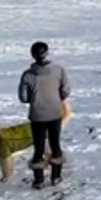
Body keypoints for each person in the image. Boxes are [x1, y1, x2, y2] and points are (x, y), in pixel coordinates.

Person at [17, 41, 70, 189]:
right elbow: (66, 90)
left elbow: (23, 97)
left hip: (37, 116)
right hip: (55, 112)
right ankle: (56, 176)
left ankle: (39, 180)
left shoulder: (27, 75)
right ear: (47, 53)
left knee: (39, 148)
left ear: (32, 55)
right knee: (55, 144)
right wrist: (56, 97)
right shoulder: (59, 70)